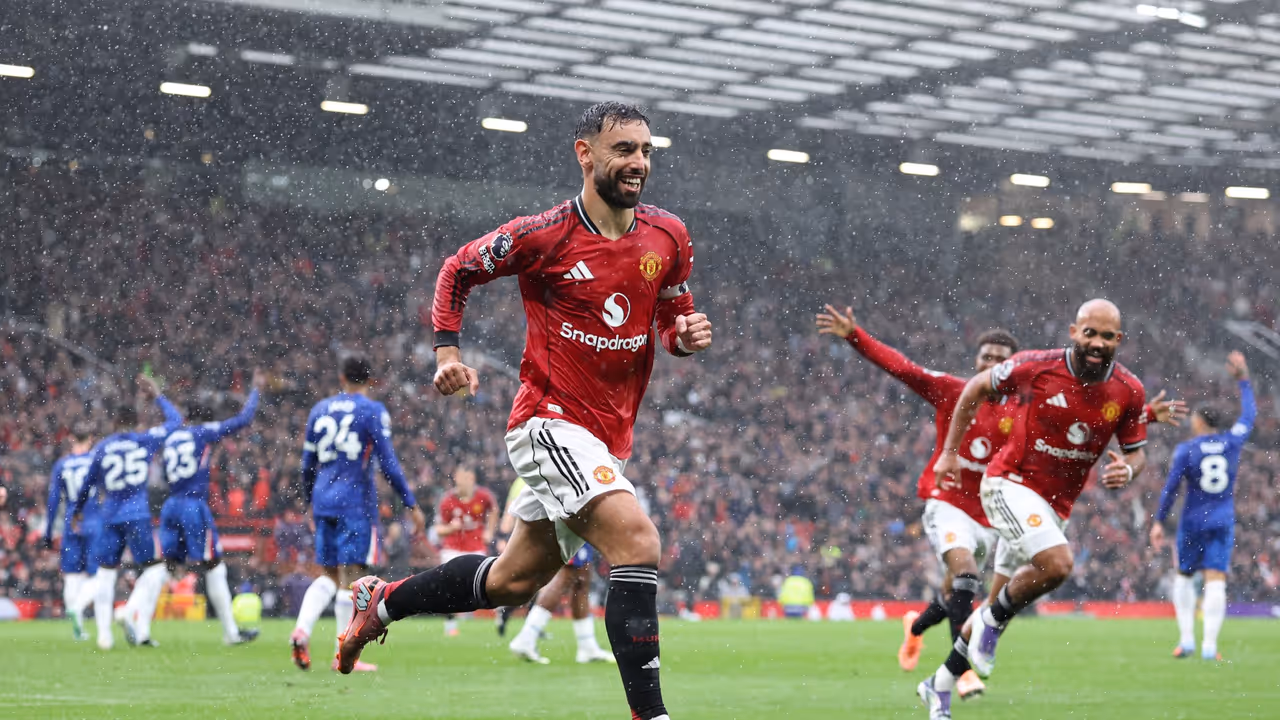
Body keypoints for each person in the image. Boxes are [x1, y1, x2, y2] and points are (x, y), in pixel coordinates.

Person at [336, 101, 712, 720]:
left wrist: (683, 336)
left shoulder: (668, 235)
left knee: (513, 582)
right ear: (584, 154)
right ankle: (653, 715)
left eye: (646, 150)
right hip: (548, 421)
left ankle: (383, 601)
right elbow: (458, 269)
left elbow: (671, 315)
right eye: (624, 150)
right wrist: (446, 354)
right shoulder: (544, 236)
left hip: (607, 438)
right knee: (638, 540)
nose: (639, 162)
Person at [917, 299, 1152, 719]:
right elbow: (974, 388)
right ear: (1073, 332)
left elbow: (1136, 454)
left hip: (1053, 505)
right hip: (1008, 485)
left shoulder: (1129, 391)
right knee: (1059, 565)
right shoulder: (1036, 366)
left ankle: (939, 686)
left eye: (1106, 336)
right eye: (1089, 333)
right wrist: (950, 454)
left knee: (992, 612)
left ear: (1119, 340)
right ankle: (990, 623)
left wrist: (1129, 472)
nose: (1096, 343)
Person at [817, 305, 1019, 700]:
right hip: (946, 502)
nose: (991, 363)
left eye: (1000, 359)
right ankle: (959, 673)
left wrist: (1142, 416)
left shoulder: (1022, 410)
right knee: (965, 579)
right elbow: (904, 369)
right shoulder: (952, 389)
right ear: (976, 360)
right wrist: (855, 336)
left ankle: (913, 627)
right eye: (986, 356)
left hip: (988, 515)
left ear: (1012, 366)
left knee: (953, 595)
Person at [290, 354, 426, 672]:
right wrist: (410, 503)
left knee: (329, 575)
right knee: (353, 580)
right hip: (355, 502)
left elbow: (306, 466)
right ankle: (345, 655)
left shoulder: (319, 410)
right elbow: (388, 464)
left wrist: (310, 499)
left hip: (323, 500)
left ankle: (302, 630)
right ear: (370, 381)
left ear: (342, 378)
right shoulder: (371, 410)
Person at [1150, 351, 1254, 662]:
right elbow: (1249, 417)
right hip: (1221, 518)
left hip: (1193, 519)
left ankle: (1186, 641)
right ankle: (1210, 645)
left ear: (1199, 421)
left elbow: (1170, 489)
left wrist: (1159, 521)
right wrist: (1244, 381)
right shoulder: (1232, 441)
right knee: (1216, 579)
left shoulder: (1187, 450)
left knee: (1184, 576)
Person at [72, 375, 184, 650]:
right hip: (136, 514)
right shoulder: (143, 440)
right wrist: (158, 395)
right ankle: (128, 611)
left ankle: (104, 636)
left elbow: (86, 485)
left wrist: (75, 511)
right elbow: (175, 422)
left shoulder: (102, 448)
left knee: (106, 574)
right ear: (135, 423)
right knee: (154, 570)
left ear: (113, 424)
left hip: (109, 516)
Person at [158, 370, 264, 646]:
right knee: (214, 566)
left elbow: (172, 419)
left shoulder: (171, 435)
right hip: (193, 506)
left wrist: (158, 396)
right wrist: (255, 391)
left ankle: (134, 617)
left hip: (170, 504)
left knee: (168, 566)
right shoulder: (203, 432)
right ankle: (230, 633)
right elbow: (244, 419)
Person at [507, 541, 616, 665]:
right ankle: (526, 638)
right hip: (576, 526)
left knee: (581, 580)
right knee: (566, 576)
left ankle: (587, 646)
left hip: (579, 527)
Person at [43, 421, 101, 641]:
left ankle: (77, 629)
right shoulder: (96, 459)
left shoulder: (62, 464)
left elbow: (53, 501)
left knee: (71, 575)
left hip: (71, 523)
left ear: (71, 440)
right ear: (91, 439)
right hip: (93, 520)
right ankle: (77, 608)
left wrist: (48, 532)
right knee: (99, 575)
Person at [433, 464, 497, 637]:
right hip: (452, 548)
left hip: (476, 547)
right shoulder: (447, 500)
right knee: (447, 586)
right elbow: (438, 529)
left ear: (471, 479)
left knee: (485, 584)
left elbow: (493, 511)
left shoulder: (484, 496)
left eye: (461, 478)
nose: (457, 482)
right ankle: (450, 625)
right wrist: (451, 528)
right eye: (456, 478)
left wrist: (489, 531)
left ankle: (497, 617)